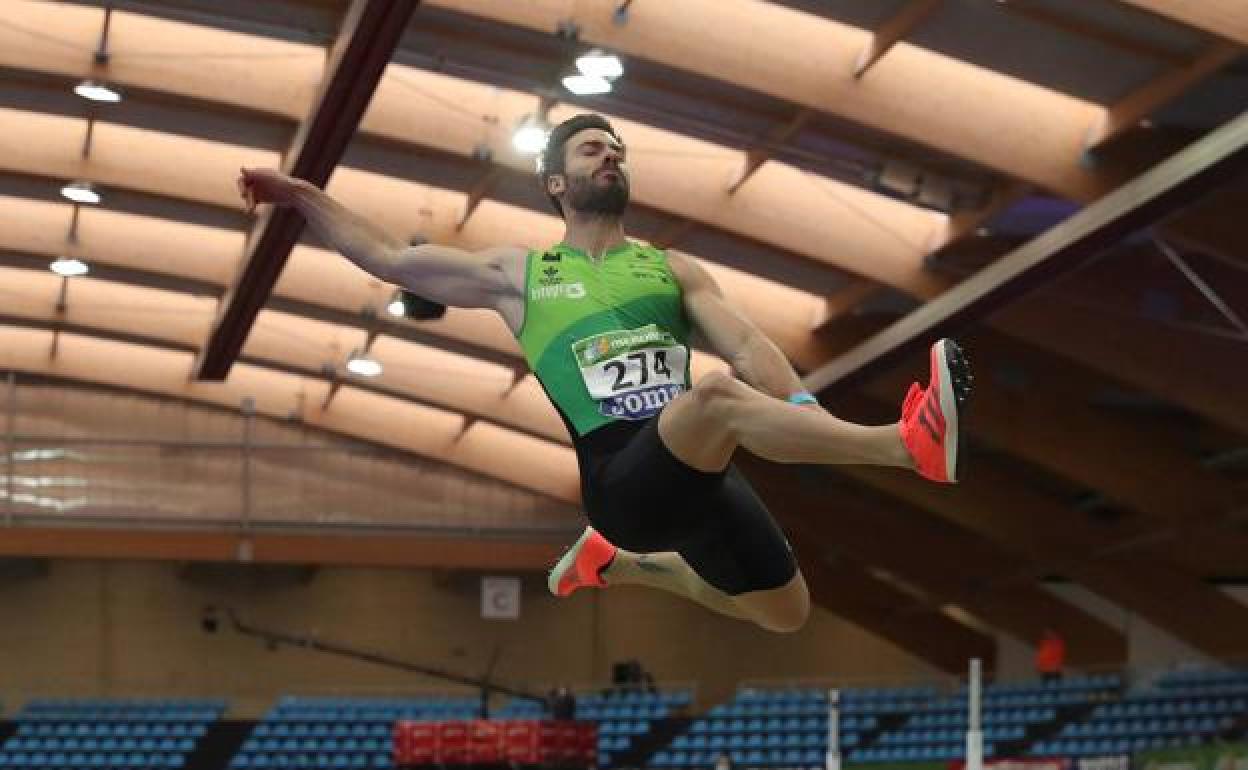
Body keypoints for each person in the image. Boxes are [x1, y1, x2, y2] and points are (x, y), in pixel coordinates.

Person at [237, 113, 972, 634]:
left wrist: (805, 407)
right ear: (556, 182)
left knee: (785, 615)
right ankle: (906, 448)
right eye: (592, 151)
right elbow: (391, 259)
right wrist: (301, 196)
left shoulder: (672, 268)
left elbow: (748, 346)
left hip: (694, 473)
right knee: (714, 395)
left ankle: (617, 567)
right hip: (620, 476)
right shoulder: (519, 274)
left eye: (616, 150)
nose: (610, 157)